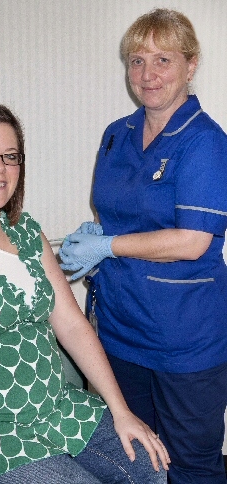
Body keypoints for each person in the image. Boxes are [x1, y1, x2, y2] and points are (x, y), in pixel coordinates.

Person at [0, 100, 169, 484]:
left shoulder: (27, 234)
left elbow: (73, 327)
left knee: (150, 466)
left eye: (10, 156)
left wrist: (120, 409)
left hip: (54, 413)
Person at [59, 8, 227, 484]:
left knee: (191, 466)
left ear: (190, 66)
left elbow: (193, 241)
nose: (147, 75)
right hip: (119, 326)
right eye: (136, 60)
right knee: (135, 456)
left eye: (162, 60)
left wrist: (109, 245)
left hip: (184, 340)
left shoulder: (206, 144)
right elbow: (113, 215)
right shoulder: (118, 134)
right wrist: (94, 236)